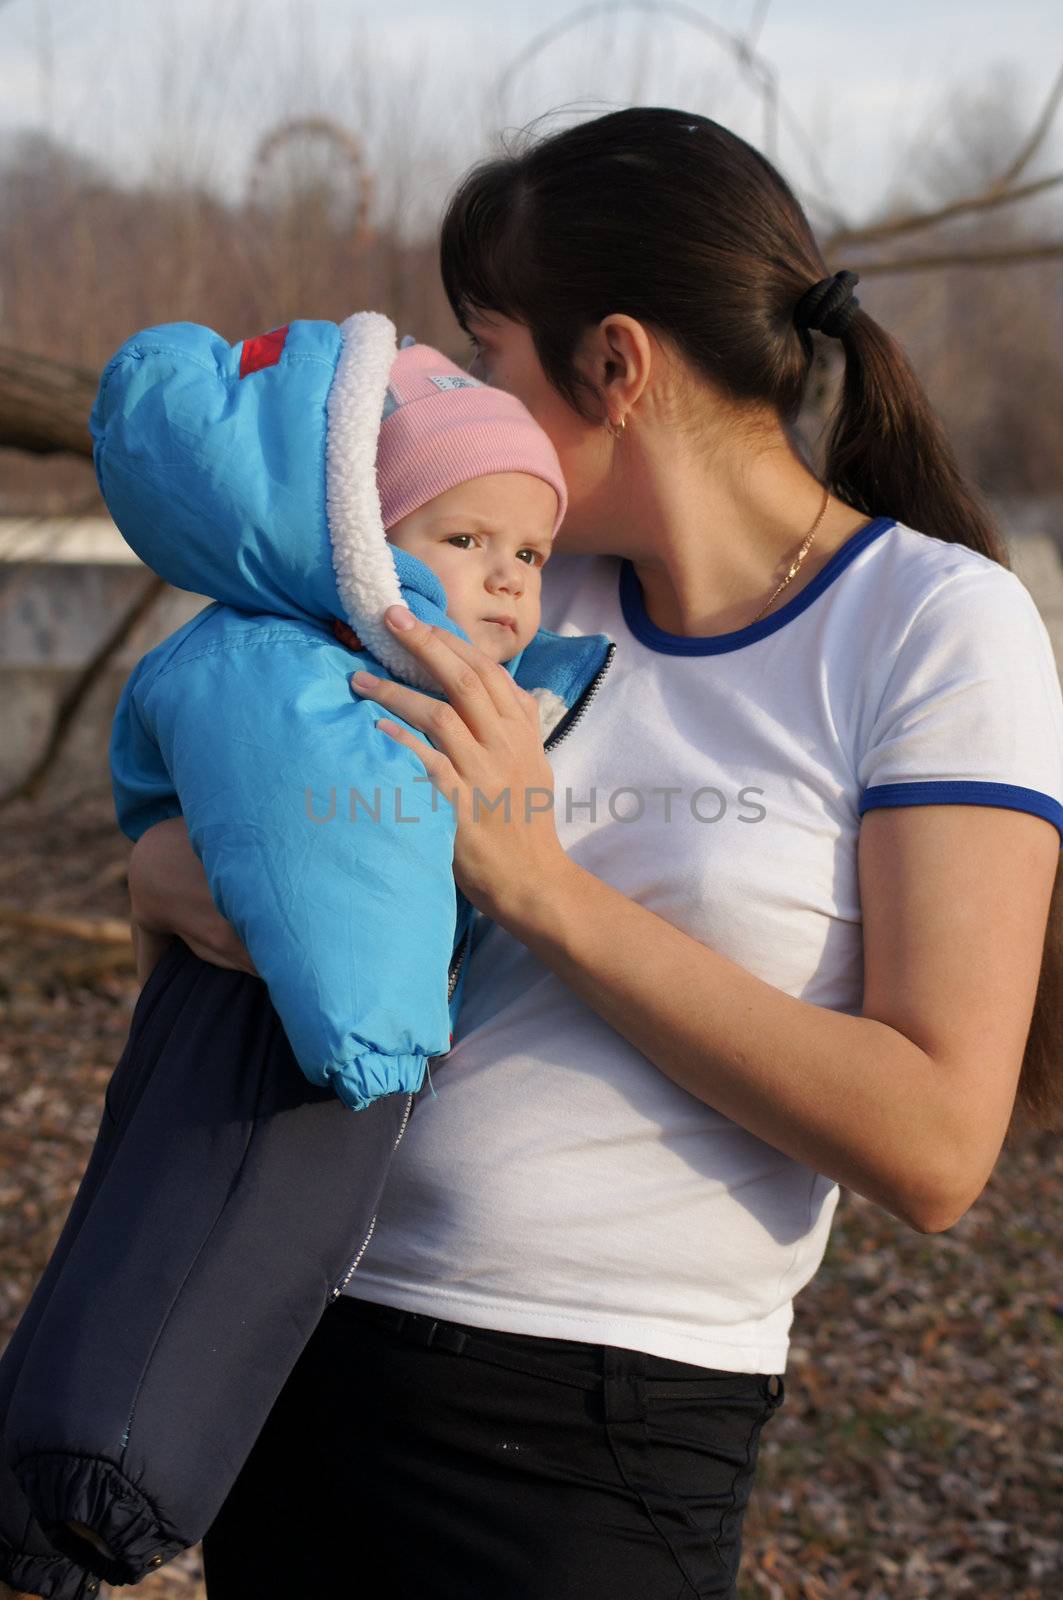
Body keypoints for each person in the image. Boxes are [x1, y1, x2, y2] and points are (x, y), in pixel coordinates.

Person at [61, 106, 1063, 1599]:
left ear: (615, 363)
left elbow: (931, 1146)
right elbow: (250, 764)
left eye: (487, 352)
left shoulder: (928, 627)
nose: (460, 400)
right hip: (295, 1342)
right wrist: (161, 874)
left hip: (595, 1434)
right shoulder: (500, 585)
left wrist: (538, 886)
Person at [0, 318, 616, 1596]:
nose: (506, 579)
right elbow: (334, 854)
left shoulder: (394, 672)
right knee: (200, 1247)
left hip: (317, 1052)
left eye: (529, 552)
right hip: (293, 1038)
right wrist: (388, 1026)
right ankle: (88, 1492)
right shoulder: (293, 663)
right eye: (463, 541)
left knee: (205, 1258)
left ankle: (49, 1499)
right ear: (364, 538)